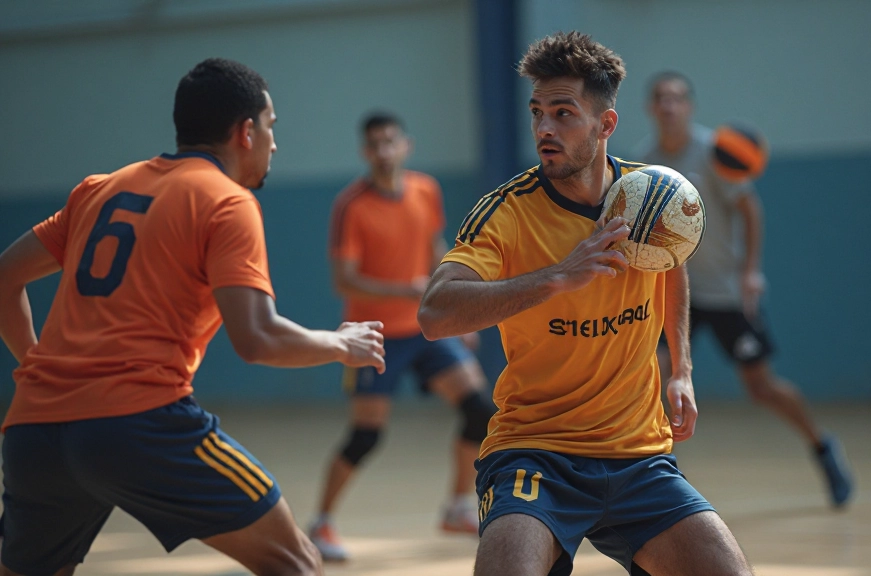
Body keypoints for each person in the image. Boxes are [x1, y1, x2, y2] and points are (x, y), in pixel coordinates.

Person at [0, 58, 387, 576]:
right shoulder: (227, 201)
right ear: (245, 132)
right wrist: (340, 344)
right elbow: (257, 339)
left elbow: (5, 277)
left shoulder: (100, 188)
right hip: (139, 424)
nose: (275, 143)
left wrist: (46, 370)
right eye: (271, 127)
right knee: (296, 561)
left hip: (35, 430)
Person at [419, 32, 753, 576]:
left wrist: (682, 368)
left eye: (563, 113)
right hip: (535, 452)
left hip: (639, 454)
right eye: (537, 113)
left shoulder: (651, 194)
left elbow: (673, 265)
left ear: (606, 125)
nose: (544, 129)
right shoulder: (505, 213)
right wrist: (555, 277)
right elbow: (435, 313)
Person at [637, 70, 854, 507]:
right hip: (675, 292)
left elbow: (750, 210)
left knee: (761, 386)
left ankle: (822, 446)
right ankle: (652, 476)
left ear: (689, 106)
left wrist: (750, 271)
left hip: (725, 293)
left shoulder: (715, 152)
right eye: (661, 97)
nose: (669, 105)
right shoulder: (646, 161)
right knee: (652, 374)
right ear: (651, 107)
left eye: (678, 97)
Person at [308, 112, 496, 561]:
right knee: (366, 435)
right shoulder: (351, 205)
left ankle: (456, 507)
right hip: (374, 335)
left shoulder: (425, 190)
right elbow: (345, 280)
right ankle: (321, 524)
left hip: (427, 329)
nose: (383, 150)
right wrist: (404, 290)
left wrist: (459, 315)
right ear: (365, 151)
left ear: (405, 146)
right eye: (374, 144)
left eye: (390, 141)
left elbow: (437, 250)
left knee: (479, 410)